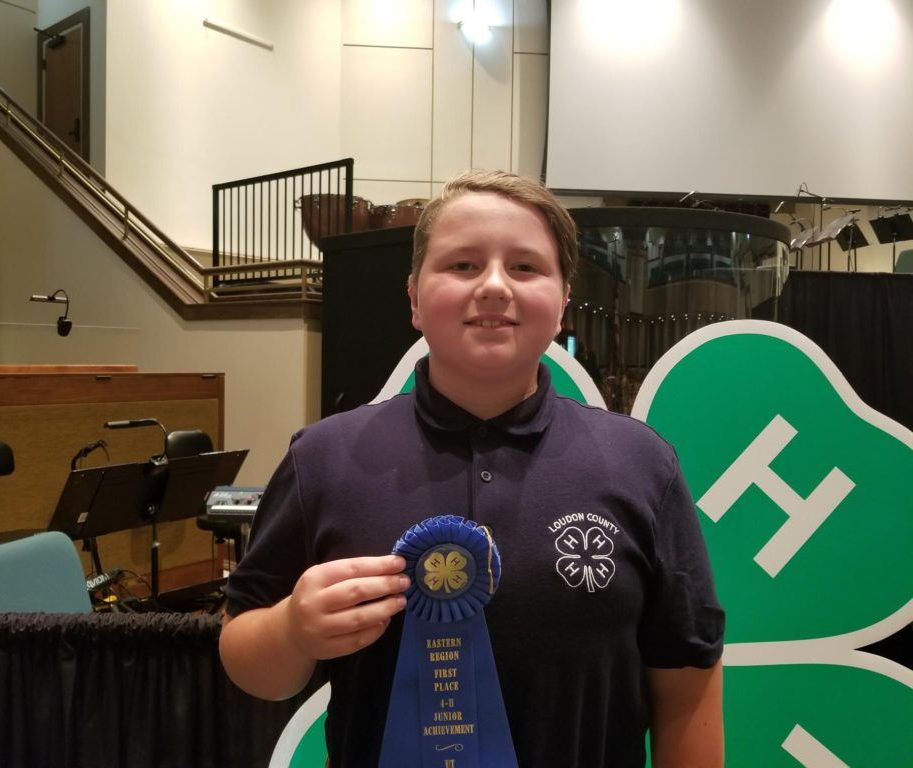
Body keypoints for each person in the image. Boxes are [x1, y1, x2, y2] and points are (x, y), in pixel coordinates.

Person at [220, 170, 725, 767]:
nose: (493, 286)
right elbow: (249, 661)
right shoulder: (323, 459)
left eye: (525, 267)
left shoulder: (641, 464)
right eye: (461, 265)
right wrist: (292, 631)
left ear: (563, 303)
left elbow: (688, 685)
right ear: (413, 298)